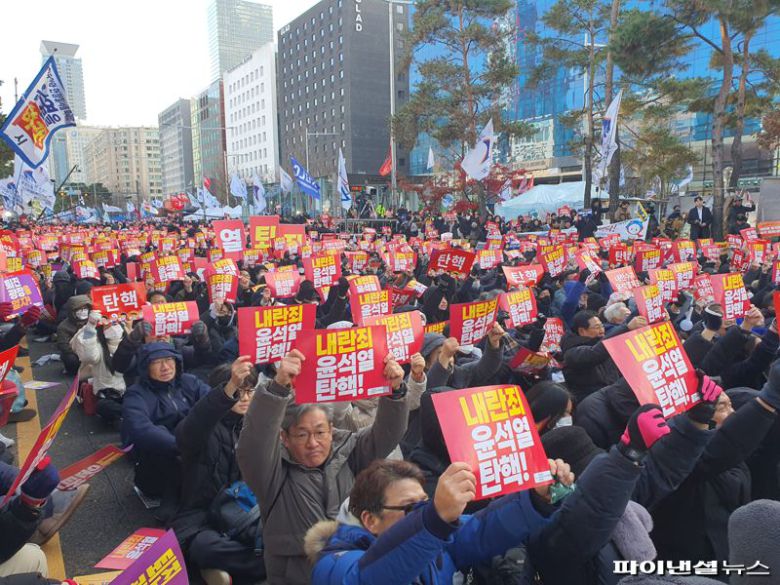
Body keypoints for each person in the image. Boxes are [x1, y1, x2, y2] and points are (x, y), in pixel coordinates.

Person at [236, 349, 411, 585]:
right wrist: (278, 388)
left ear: (331, 430)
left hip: (352, 571)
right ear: (284, 438)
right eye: (301, 434)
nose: (313, 443)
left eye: (320, 432)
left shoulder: (349, 449)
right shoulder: (271, 473)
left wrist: (396, 390)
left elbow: (387, 434)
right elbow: (254, 444)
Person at [305, 457, 573, 585]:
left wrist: (537, 499)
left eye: (425, 503)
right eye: (411, 508)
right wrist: (434, 518)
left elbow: (482, 530)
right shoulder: (334, 563)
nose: (423, 514)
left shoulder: (433, 535)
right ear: (370, 520)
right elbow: (368, 578)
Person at [173, 358, 266, 585]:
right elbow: (193, 426)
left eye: (249, 391)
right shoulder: (202, 430)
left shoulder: (260, 427)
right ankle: (267, 564)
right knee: (204, 548)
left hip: (247, 512)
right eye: (237, 391)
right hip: (202, 516)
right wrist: (229, 388)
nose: (244, 398)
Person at [120, 342, 211, 500]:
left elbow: (212, 403)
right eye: (156, 362)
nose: (165, 367)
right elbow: (141, 429)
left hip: (193, 446)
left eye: (169, 360)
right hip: (161, 459)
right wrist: (180, 446)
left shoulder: (190, 382)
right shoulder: (136, 394)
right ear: (145, 367)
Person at [69, 310, 126, 422]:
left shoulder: (129, 339)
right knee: (104, 406)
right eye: (108, 322)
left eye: (115, 323)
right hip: (109, 395)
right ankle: (129, 416)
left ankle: (129, 416)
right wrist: (90, 326)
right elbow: (88, 356)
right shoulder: (97, 344)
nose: (113, 326)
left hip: (130, 393)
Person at [56, 295, 92, 376]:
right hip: (76, 354)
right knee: (70, 358)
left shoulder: (93, 321)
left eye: (85, 309)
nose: (83, 311)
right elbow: (64, 346)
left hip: (93, 350)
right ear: (72, 311)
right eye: (80, 309)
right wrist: (81, 353)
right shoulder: (63, 327)